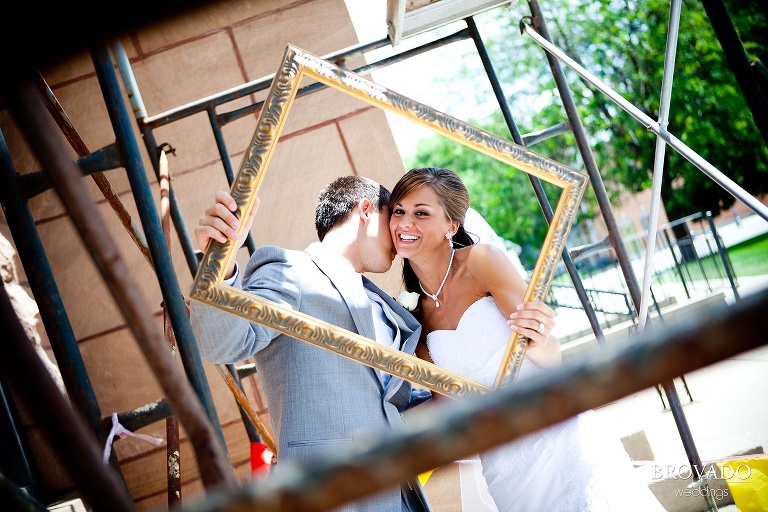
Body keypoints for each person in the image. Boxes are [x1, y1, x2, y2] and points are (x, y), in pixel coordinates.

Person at [388, 167, 666, 512]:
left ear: (451, 226)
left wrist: (541, 336)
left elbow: (550, 355)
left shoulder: (481, 262)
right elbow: (448, 405)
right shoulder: (411, 309)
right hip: (504, 465)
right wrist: (392, 422)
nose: (405, 223)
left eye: (421, 213)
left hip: (556, 433)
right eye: (399, 211)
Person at [190, 176, 432, 512]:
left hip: (400, 492)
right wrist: (219, 263)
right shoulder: (291, 270)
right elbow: (223, 343)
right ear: (365, 210)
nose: (397, 231)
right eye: (391, 215)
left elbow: (385, 400)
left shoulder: (382, 304)